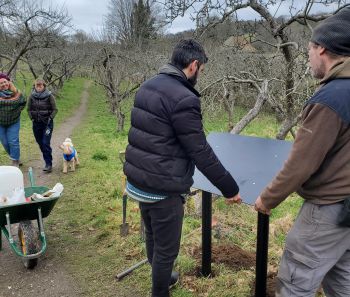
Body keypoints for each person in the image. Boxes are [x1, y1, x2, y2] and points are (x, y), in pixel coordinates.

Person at [124, 39, 242, 297]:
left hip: (139, 181)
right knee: (167, 250)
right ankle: (160, 290)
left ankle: (164, 277)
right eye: (201, 69)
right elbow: (200, 151)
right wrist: (230, 188)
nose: (200, 74)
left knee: (154, 237)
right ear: (194, 65)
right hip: (163, 187)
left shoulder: (147, 85)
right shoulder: (184, 98)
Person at [254, 7, 350, 297]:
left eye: (309, 49)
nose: (307, 57)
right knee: (342, 279)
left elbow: (301, 164)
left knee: (296, 281)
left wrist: (267, 199)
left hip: (326, 211)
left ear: (322, 49)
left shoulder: (330, 98)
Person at [27, 79, 57, 173]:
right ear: (34, 86)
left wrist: (50, 118)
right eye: (37, 85)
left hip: (47, 124)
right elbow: (28, 109)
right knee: (40, 143)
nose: (39, 87)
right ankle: (47, 158)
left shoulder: (49, 96)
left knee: (45, 142)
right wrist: (32, 118)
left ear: (44, 86)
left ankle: (48, 164)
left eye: (41, 85)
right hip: (36, 124)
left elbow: (55, 109)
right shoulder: (31, 96)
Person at [0, 74, 26, 167]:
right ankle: (16, 157)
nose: (3, 84)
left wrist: (18, 111)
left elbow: (23, 102)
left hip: (14, 122)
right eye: (1, 83)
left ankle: (15, 161)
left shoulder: (16, 92)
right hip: (1, 123)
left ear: (8, 82)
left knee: (13, 141)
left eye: (5, 82)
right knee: (5, 142)